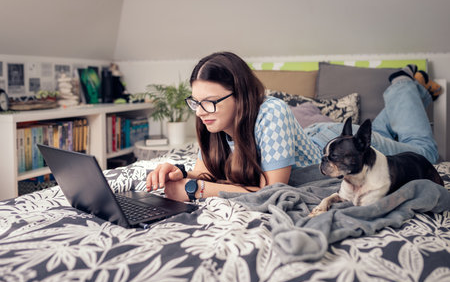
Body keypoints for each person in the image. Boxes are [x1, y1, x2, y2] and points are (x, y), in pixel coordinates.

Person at [146, 52, 441, 202]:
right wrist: (178, 172)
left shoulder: (271, 112)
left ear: (241, 96)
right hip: (307, 138)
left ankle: (403, 83)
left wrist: (196, 190)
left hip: (335, 144)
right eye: (195, 102)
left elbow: (273, 189)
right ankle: (415, 92)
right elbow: (203, 173)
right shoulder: (212, 121)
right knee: (381, 128)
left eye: (210, 102)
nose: (200, 112)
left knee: (424, 152)